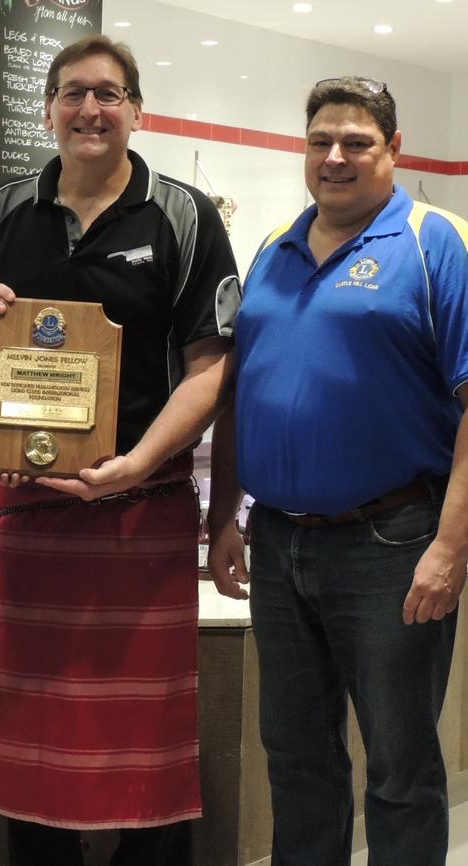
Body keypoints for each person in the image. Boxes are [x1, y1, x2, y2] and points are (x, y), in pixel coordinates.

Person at [0, 35, 240, 866]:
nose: (91, 109)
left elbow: (210, 368)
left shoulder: (183, 215)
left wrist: (140, 461)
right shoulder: (0, 213)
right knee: (36, 743)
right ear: (47, 110)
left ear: (137, 111)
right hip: (30, 520)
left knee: (146, 752)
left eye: (110, 94)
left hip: (140, 520)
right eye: (74, 93)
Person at [208, 76, 468, 866]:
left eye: (357, 142)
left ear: (394, 151)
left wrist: (450, 549)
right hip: (282, 543)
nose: (336, 157)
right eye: (321, 140)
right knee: (296, 758)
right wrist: (225, 515)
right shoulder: (273, 246)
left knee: (399, 766)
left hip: (392, 542)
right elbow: (235, 392)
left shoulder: (434, 243)